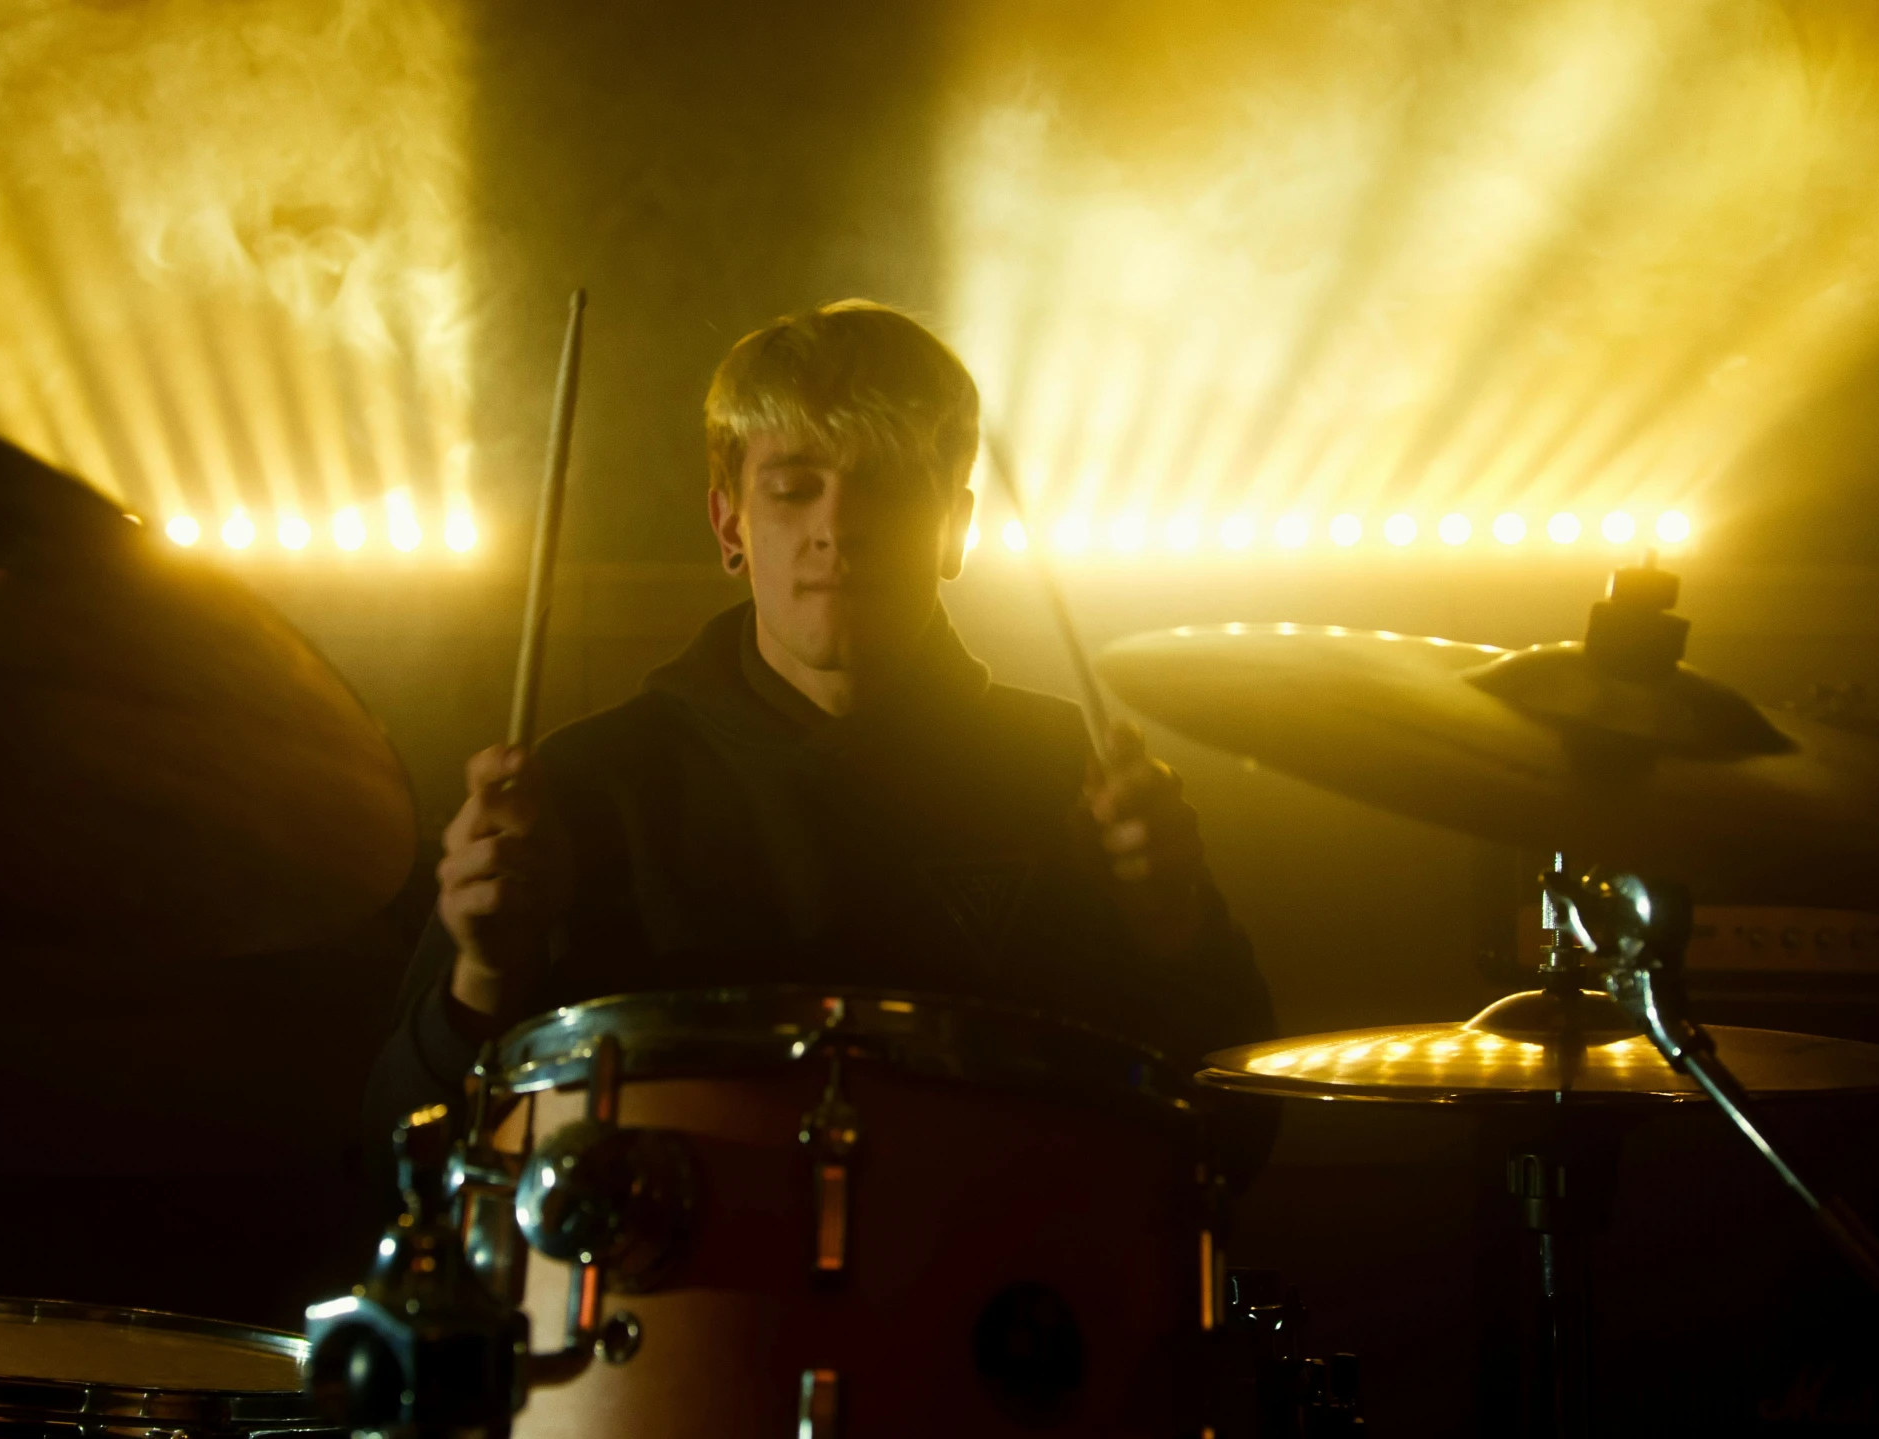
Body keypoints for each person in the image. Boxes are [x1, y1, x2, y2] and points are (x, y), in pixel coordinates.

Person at [365, 300, 1273, 1169]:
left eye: (883, 483)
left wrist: (1175, 928)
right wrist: (481, 984)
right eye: (794, 489)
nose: (836, 529)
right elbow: (390, 1158)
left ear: (954, 526)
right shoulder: (583, 786)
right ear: (730, 524)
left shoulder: (1075, 778)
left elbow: (1233, 1143)